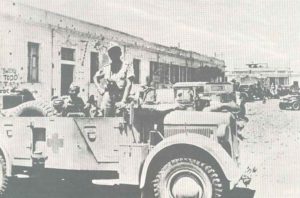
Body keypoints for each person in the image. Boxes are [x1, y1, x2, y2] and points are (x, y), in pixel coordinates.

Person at [93, 44, 135, 117]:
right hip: (108, 96)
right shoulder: (106, 68)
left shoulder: (126, 66)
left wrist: (123, 100)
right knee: (105, 119)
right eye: (110, 53)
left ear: (120, 53)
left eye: (115, 52)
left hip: (121, 96)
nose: (112, 55)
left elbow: (129, 84)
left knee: (120, 121)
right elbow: (95, 77)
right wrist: (99, 88)